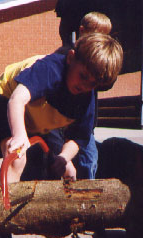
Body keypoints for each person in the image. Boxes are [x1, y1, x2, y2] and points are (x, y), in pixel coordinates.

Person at [0, 32, 123, 184]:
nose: (85, 85)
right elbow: (16, 99)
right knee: (17, 158)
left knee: (67, 169)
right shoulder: (50, 69)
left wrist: (64, 157)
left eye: (92, 83)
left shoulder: (86, 98)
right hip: (5, 98)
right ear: (70, 58)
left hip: (38, 113)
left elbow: (78, 138)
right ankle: (3, 201)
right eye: (83, 76)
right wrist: (19, 136)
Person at [49, 11, 113, 179]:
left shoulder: (97, 62)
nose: (100, 41)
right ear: (82, 31)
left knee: (89, 158)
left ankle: (87, 192)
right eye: (97, 34)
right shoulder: (67, 55)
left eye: (105, 36)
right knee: (61, 159)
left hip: (83, 125)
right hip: (62, 121)